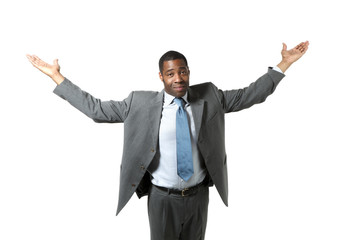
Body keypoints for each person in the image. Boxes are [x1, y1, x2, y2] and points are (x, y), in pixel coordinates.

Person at [26, 41, 309, 240]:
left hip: (199, 196)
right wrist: (57, 77)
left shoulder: (209, 95)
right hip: (162, 199)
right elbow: (97, 109)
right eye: (171, 73)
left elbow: (250, 95)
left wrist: (284, 64)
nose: (178, 78)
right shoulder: (140, 102)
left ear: (188, 72)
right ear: (161, 76)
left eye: (183, 71)